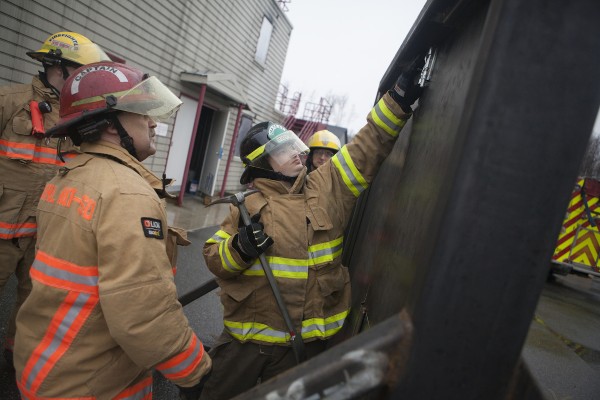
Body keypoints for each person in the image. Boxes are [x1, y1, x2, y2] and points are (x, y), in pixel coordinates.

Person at [201, 58, 425, 399]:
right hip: (247, 345)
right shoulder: (246, 206)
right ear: (263, 163)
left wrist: (397, 99)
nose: (295, 154)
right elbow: (215, 259)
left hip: (305, 346)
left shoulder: (327, 185)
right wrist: (239, 249)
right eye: (282, 151)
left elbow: (367, 147)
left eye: (293, 146)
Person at [13, 61, 211, 399]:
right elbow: (143, 311)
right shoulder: (126, 193)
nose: (153, 122)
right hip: (93, 384)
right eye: (142, 112)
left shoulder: (69, 176)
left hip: (47, 365)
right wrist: (195, 372)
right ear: (108, 125)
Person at [0, 31, 111, 366]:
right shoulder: (9, 99)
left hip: (47, 234)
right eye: (80, 75)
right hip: (2, 231)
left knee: (35, 305)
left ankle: (16, 361)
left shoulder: (77, 118)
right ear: (60, 69)